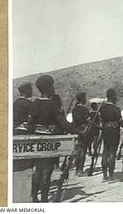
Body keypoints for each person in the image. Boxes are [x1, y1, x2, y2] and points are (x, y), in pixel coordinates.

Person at [28, 74, 79, 202]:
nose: (53, 88)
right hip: (49, 141)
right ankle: (45, 200)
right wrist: (79, 132)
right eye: (52, 85)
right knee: (47, 171)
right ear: (49, 87)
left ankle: (34, 197)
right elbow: (63, 123)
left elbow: (30, 123)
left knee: (37, 170)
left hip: (36, 141)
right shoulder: (52, 104)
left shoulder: (35, 103)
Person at [99, 88, 123, 182]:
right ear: (113, 97)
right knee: (112, 153)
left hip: (105, 130)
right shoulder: (116, 109)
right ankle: (111, 177)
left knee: (105, 153)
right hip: (113, 131)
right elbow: (120, 122)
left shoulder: (102, 108)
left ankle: (104, 176)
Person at [72, 92, 90, 176]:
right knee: (83, 150)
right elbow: (87, 121)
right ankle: (80, 170)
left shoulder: (74, 109)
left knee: (78, 150)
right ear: (82, 99)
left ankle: (76, 169)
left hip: (76, 130)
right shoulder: (85, 109)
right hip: (83, 130)